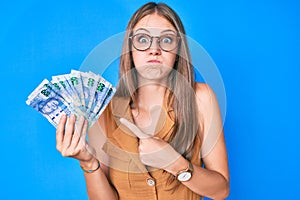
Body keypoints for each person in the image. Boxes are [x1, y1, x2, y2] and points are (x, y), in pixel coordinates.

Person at [55, 2, 229, 199]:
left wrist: (175, 163)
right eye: (143, 39)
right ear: (130, 47)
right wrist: (87, 162)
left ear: (178, 49)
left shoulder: (200, 98)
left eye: (166, 40)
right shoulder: (104, 109)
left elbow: (221, 190)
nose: (154, 49)